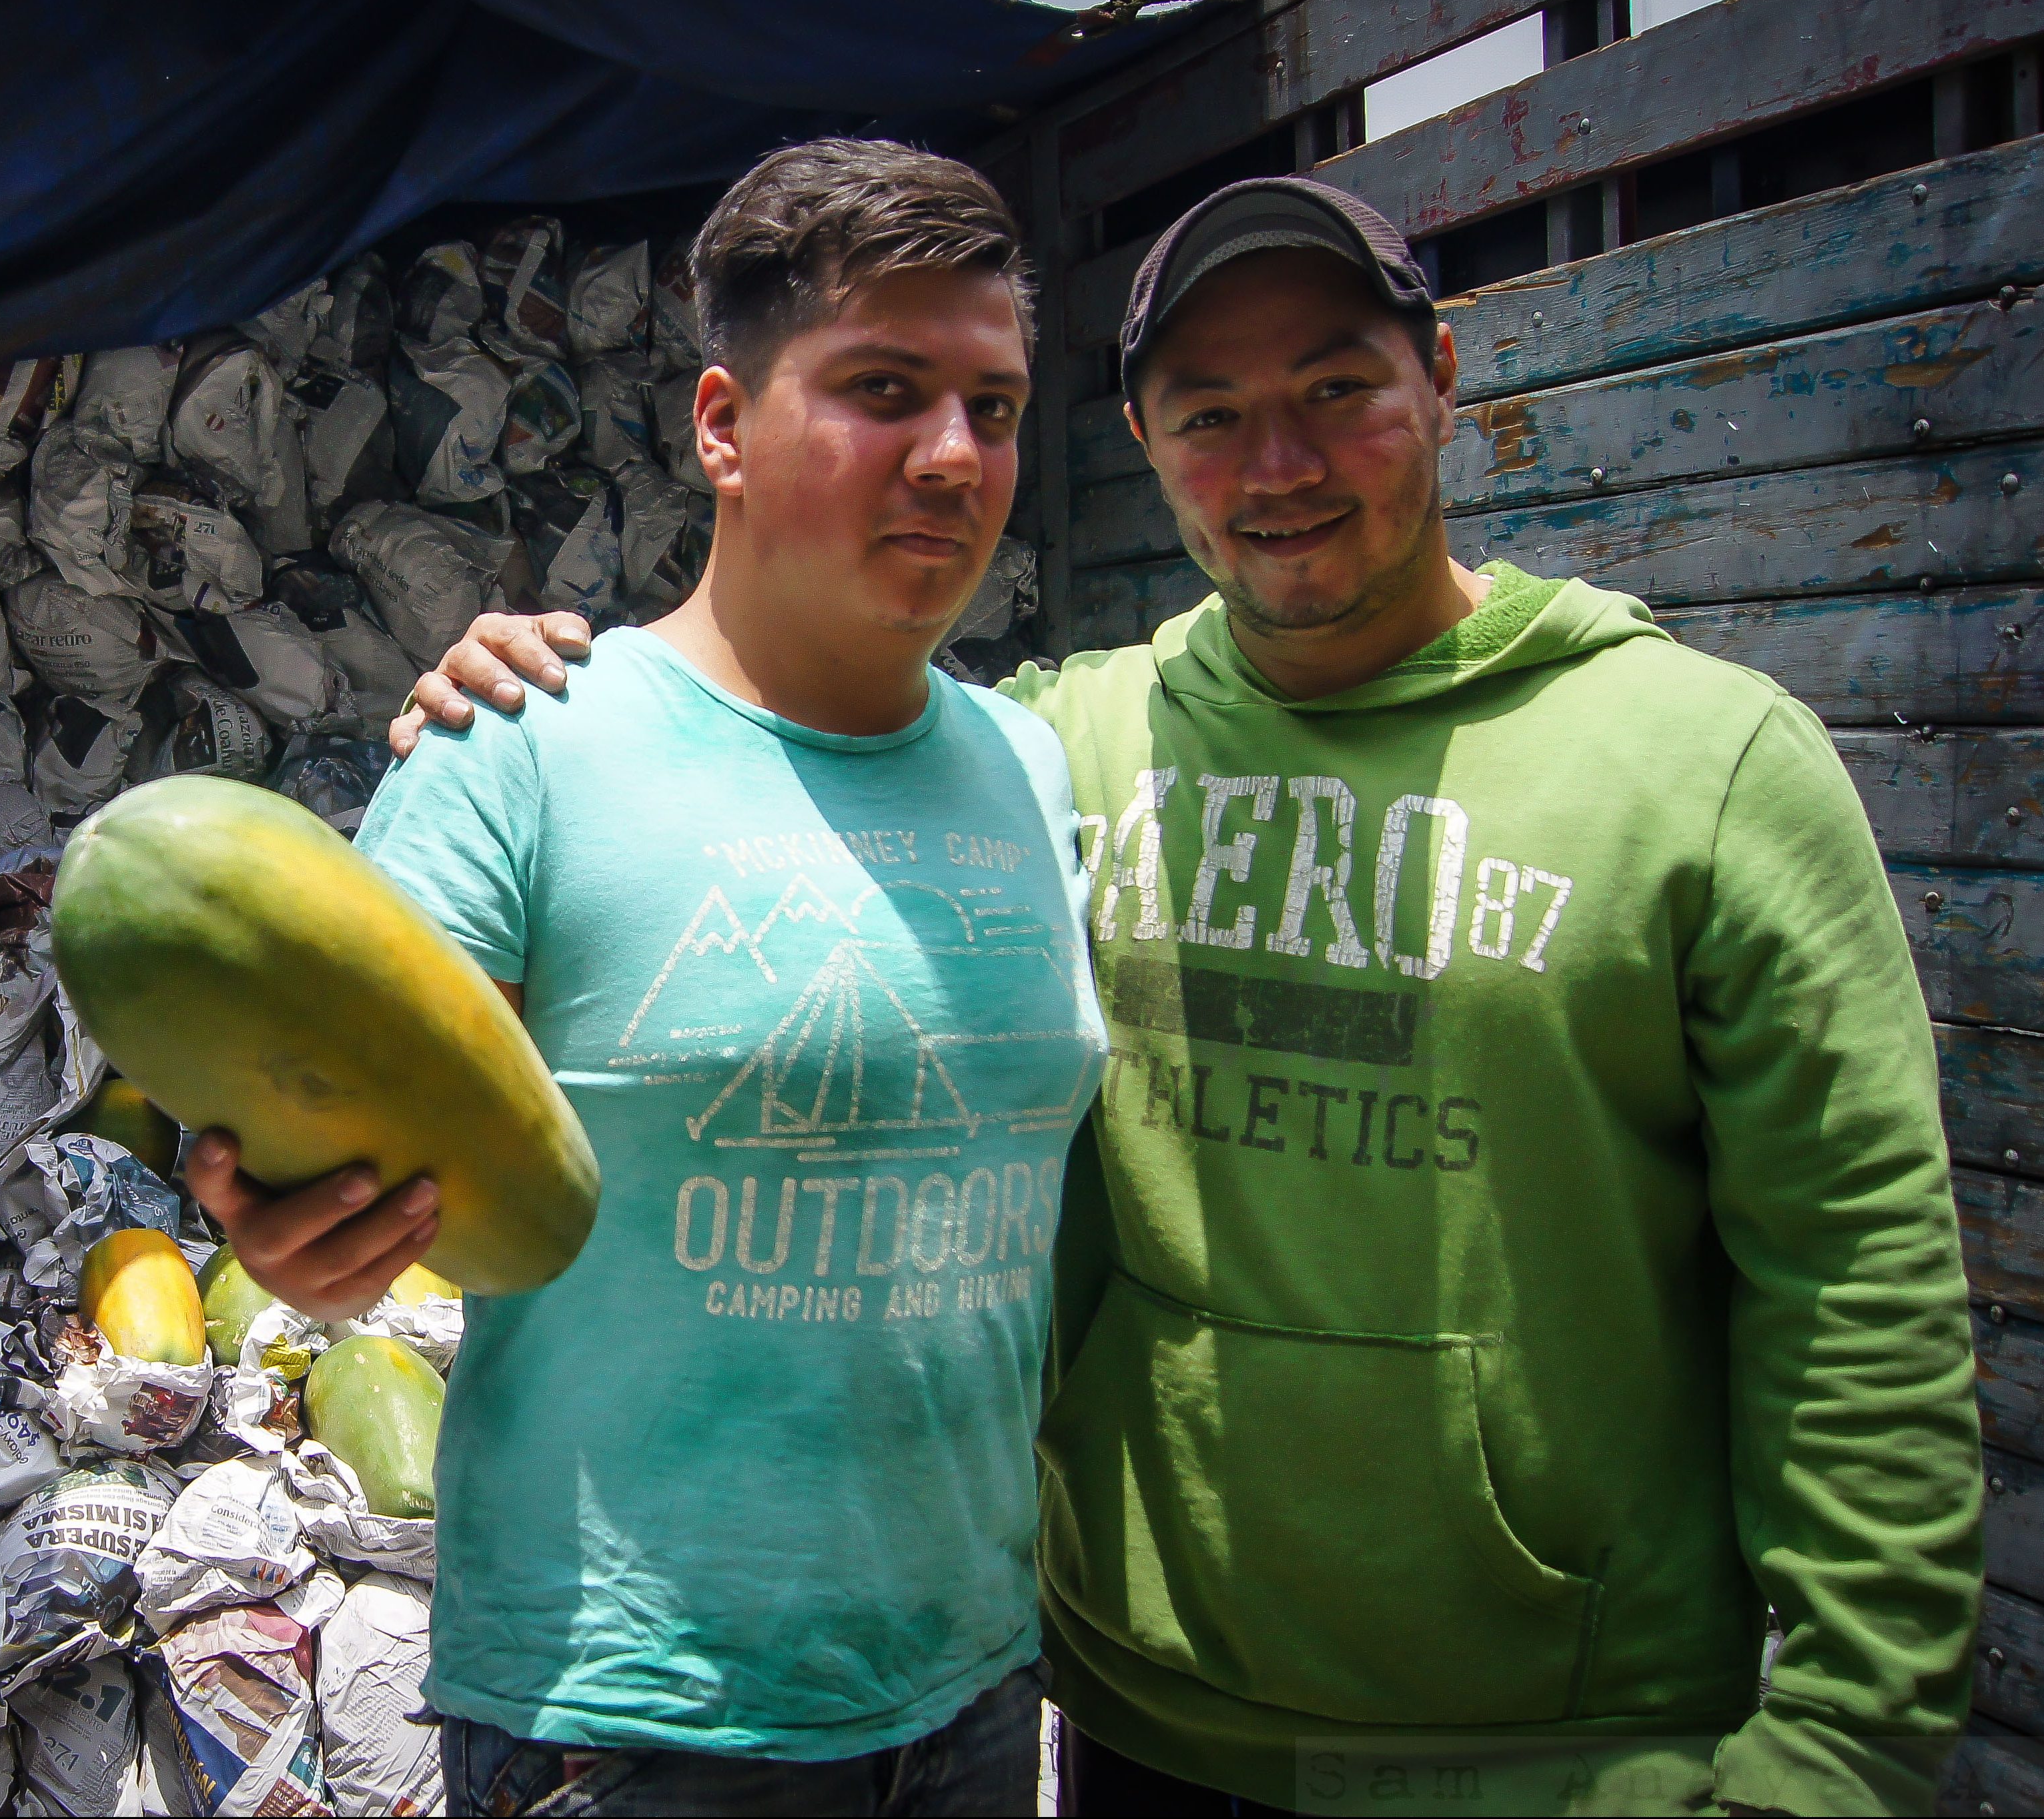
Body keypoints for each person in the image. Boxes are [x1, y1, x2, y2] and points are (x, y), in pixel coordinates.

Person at [390, 175, 1985, 1816]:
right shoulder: (1060, 747)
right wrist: (530, 686)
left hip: (1564, 1753)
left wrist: (1845, 1754)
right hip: (1131, 1723)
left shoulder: (1703, 764)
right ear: (1145, 446)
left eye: (1335, 391)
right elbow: (783, 742)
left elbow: (1858, 1276)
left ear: (1441, 377)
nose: (1275, 466)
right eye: (1208, 413)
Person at [185, 138, 1107, 1816]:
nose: (954, 455)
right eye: (882, 388)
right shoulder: (517, 747)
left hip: (972, 1682)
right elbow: (321, 1137)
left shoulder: (1034, 770)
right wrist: (281, 1218)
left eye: (995, 402)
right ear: (719, 425)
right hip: (633, 1718)